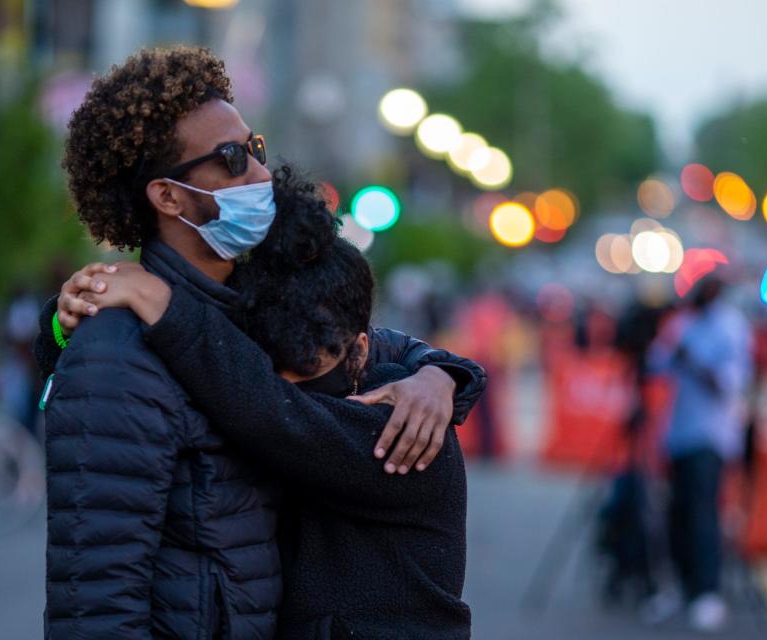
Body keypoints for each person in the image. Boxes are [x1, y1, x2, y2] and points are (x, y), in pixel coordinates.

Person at [35, 46, 485, 639]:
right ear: (167, 196)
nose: (259, 174)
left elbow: (295, 392)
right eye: (231, 159)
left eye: (255, 148)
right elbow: (94, 604)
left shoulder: (245, 323)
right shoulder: (123, 344)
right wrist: (63, 324)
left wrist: (441, 373)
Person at [70, 230, 471, 638]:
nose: (289, 386)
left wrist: (164, 306)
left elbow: (270, 410)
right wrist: (72, 320)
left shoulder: (401, 426)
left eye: (306, 370)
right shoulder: (306, 359)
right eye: (273, 368)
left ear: (360, 352)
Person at [643, 275, 752, 632]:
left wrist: (692, 359)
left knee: (703, 512)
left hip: (713, 435)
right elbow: (655, 364)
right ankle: (679, 584)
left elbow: (728, 385)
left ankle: (708, 592)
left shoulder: (731, 327)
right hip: (679, 434)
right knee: (676, 511)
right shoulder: (681, 322)